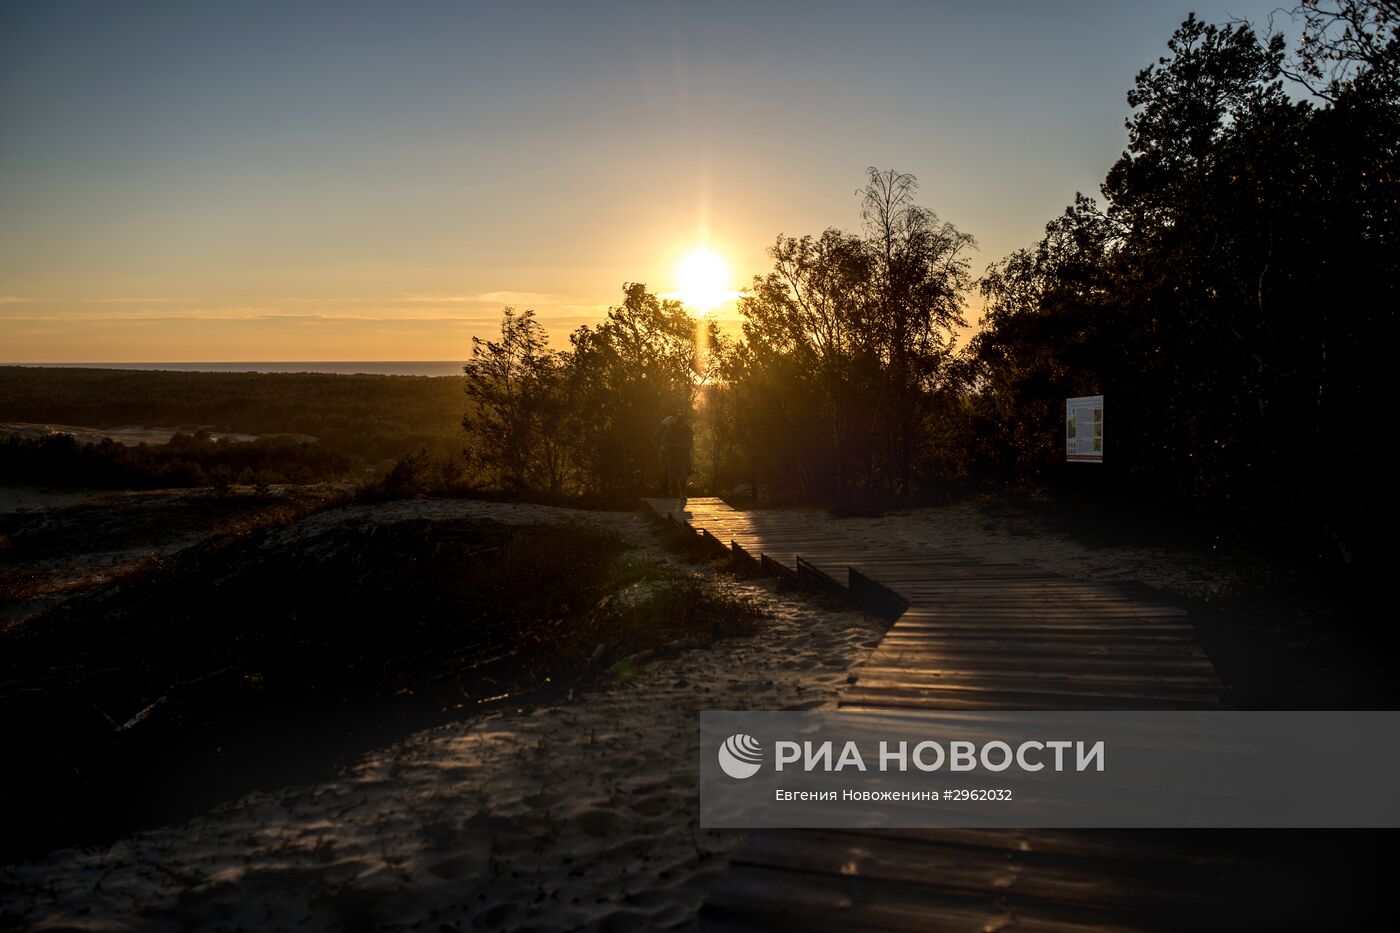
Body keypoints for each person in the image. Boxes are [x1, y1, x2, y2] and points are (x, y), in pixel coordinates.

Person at [654, 410, 693, 498]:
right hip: (670, 455)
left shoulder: (688, 430)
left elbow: (690, 442)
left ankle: (681, 492)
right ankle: (669, 494)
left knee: (683, 473)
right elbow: (664, 440)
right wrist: (667, 447)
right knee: (669, 475)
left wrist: (682, 445)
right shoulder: (670, 428)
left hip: (683, 455)